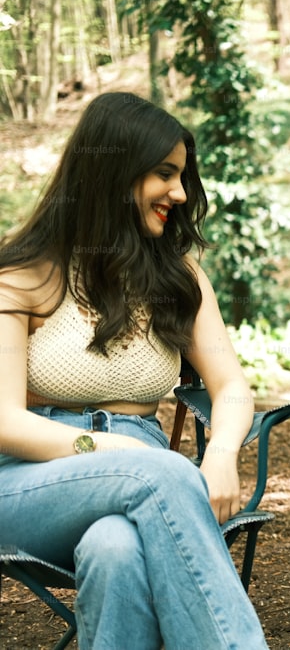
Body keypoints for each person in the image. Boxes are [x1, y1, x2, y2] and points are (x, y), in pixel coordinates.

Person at [0, 92, 269, 649]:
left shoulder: (178, 277)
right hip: (26, 484)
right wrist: (122, 455)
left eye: (182, 177)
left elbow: (231, 386)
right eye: (165, 174)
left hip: (139, 478)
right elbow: (4, 421)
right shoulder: (23, 273)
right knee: (164, 472)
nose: (180, 192)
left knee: (114, 548)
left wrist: (220, 453)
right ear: (115, 172)